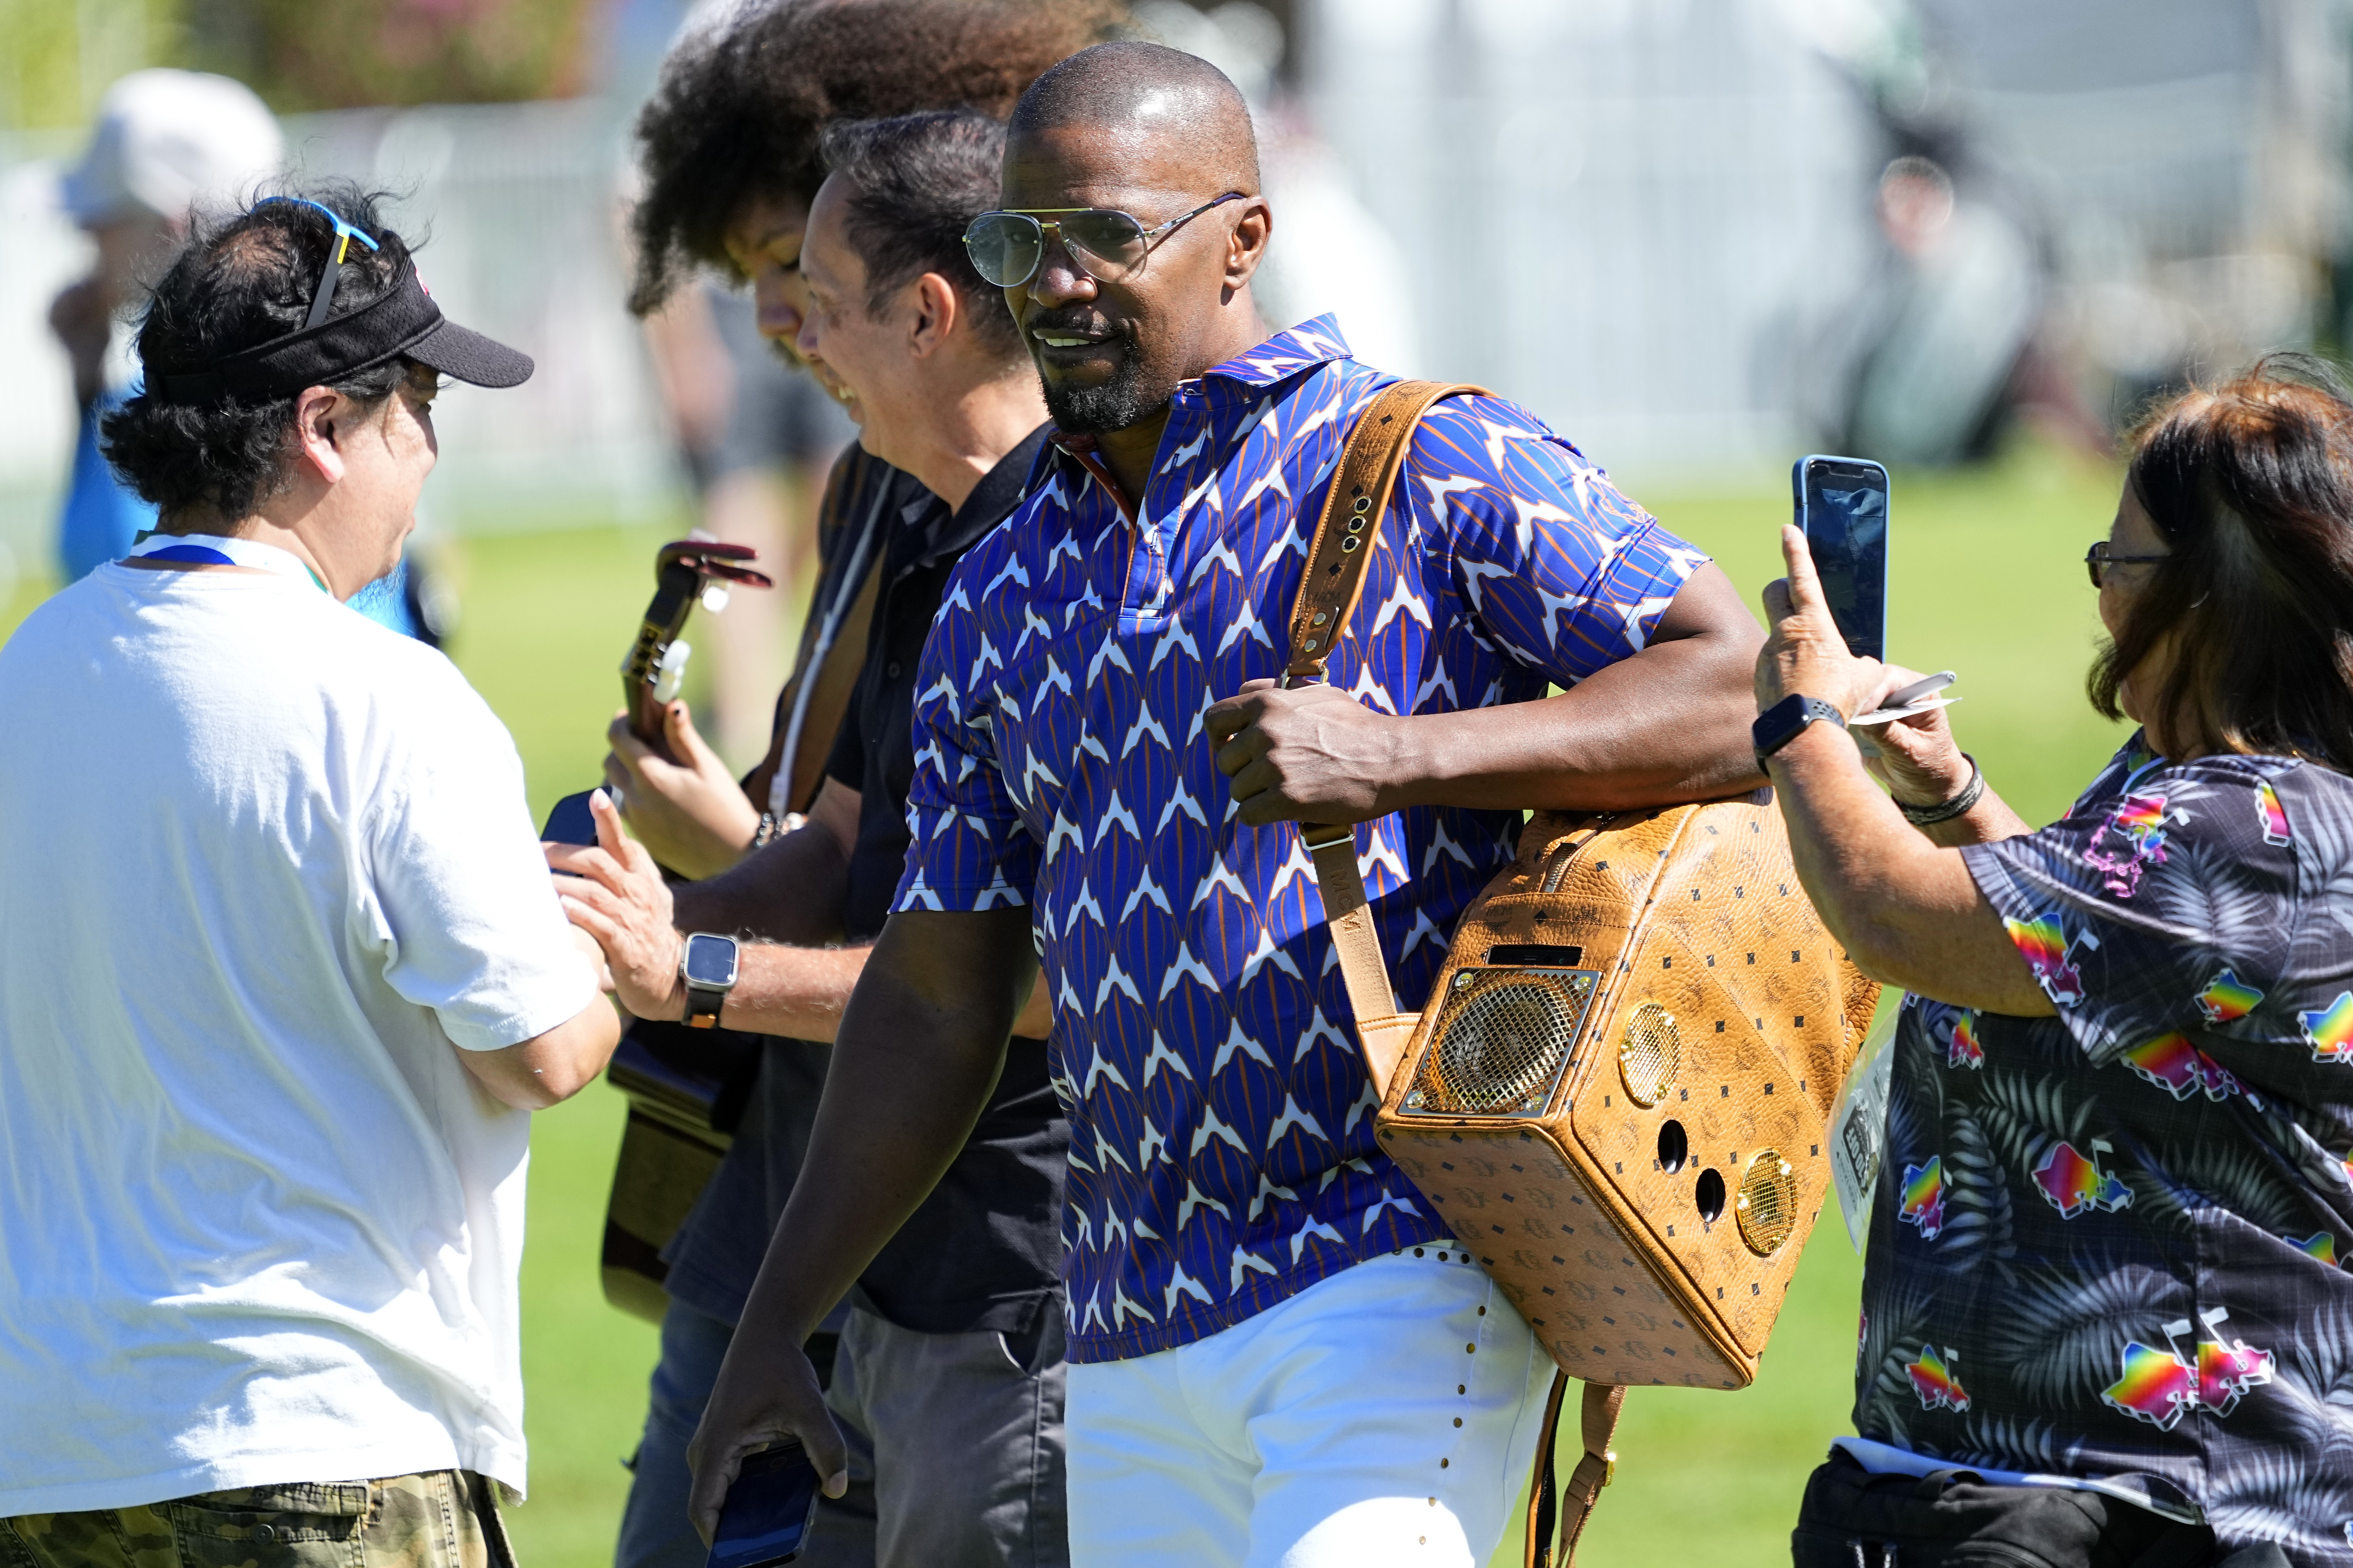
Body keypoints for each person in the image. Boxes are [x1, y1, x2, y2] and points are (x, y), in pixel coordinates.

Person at [685, 40, 1768, 1568]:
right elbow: (937, 989)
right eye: (1018, 245)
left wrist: (1405, 756)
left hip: (1392, 1262)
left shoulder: (1421, 453)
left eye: (1106, 237)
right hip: (1126, 1322)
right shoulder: (998, 577)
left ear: (1242, 238)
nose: (1054, 285)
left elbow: (1736, 685)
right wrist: (773, 1315)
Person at [0, 186, 621, 1563]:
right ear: (323, 428)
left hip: (51, 1446)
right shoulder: (385, 694)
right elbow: (540, 1050)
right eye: (416, 409)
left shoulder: (26, 672)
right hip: (324, 1436)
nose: (430, 452)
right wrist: (613, 944)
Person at [596, 8, 1118, 1563]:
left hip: (1012, 1284)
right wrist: (646, 910)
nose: (782, 327)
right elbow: (839, 834)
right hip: (855, 1235)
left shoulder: (1089, 547)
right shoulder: (903, 503)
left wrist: (691, 962)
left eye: (802, 281)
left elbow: (1010, 978)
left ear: (934, 304)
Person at [1755, 356, 2353, 1565]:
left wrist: (1798, 725)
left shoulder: (2255, 832)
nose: (2100, 601)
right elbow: (2083, 965)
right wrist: (1954, 798)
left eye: (2116, 566)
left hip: (2158, 1509)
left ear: (2209, 593)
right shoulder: (2188, 793)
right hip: (2023, 1486)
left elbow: (1894, 915)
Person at [51, 70, 445, 640]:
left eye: (106, 218)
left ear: (173, 227)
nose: (87, 238)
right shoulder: (309, 377)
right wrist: (85, 382)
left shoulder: (202, 415)